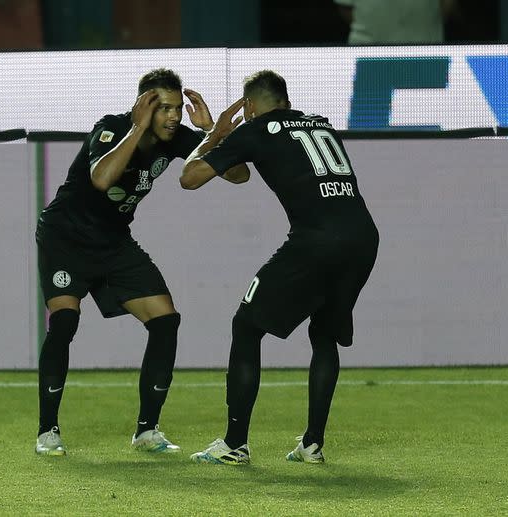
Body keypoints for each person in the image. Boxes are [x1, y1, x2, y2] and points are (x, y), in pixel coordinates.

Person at [34, 68, 249, 456]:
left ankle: (146, 431)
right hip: (65, 237)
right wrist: (136, 129)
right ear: (142, 106)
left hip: (114, 243)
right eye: (162, 107)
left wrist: (214, 134)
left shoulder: (179, 136)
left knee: (165, 321)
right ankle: (47, 430)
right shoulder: (113, 128)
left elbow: (239, 175)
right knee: (65, 321)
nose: (172, 116)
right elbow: (101, 179)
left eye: (176, 108)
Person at [181, 70, 379, 465]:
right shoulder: (320, 125)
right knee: (323, 335)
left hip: (316, 242)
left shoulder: (256, 129)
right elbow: (240, 173)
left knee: (246, 325)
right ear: (286, 101)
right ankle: (312, 445)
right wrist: (223, 142)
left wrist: (214, 135)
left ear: (249, 106)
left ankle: (234, 445)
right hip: (363, 237)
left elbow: (190, 178)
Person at [335, 0, 459, 45]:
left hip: (426, 53)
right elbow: (345, 8)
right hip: (369, 54)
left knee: (428, 102)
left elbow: (447, 5)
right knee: (370, 102)